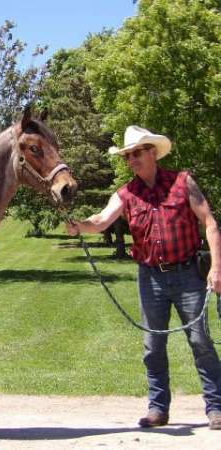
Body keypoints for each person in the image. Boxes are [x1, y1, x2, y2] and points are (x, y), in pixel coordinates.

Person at [66, 125, 221, 430]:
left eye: (136, 153)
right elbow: (101, 221)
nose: (132, 160)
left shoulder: (182, 182)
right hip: (150, 278)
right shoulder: (126, 194)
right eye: (128, 156)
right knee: (153, 345)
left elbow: (210, 223)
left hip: (189, 273)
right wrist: (80, 225)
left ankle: (216, 408)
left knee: (200, 340)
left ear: (152, 152)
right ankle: (158, 408)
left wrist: (216, 267)